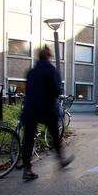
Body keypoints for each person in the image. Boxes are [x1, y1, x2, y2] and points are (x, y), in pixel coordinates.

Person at [21, 46, 74, 181]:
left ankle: (27, 168)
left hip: (30, 108)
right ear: (49, 56)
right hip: (46, 109)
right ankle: (61, 160)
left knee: (28, 138)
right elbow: (56, 91)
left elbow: (28, 90)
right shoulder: (51, 70)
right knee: (55, 135)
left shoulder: (31, 71)